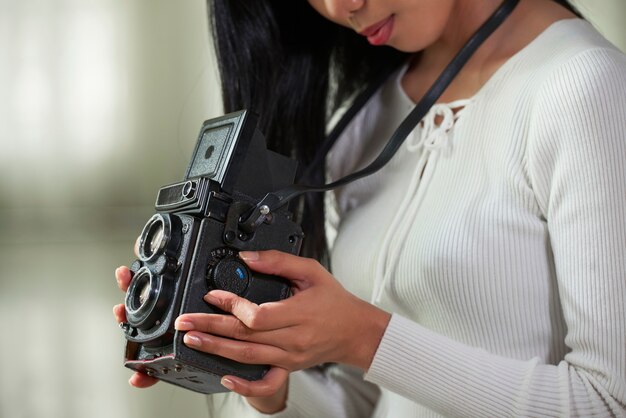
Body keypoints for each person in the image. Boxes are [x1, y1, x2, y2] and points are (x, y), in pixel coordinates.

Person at [114, 0, 626, 416]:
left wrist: (363, 336)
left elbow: (609, 402)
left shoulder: (584, 87)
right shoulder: (366, 118)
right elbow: (372, 402)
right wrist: (264, 380)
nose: (341, 6)